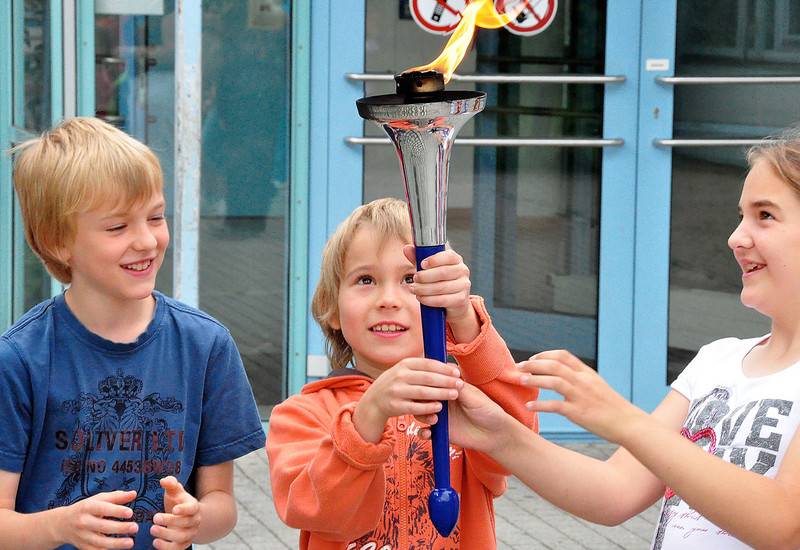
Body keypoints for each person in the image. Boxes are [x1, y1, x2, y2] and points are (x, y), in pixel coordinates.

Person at [434, 127, 800, 549]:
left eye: (765, 215)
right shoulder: (717, 361)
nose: (736, 238)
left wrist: (623, 420)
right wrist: (500, 436)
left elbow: (785, 523)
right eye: (741, 216)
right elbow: (615, 491)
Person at [0, 117, 266, 549]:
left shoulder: (206, 346)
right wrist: (60, 527)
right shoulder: (18, 359)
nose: (146, 241)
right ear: (56, 241)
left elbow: (221, 503)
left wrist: (195, 521)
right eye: (117, 227)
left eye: (156, 216)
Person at [265, 197, 539, 550]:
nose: (389, 300)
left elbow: (519, 438)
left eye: (410, 279)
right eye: (366, 279)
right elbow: (317, 511)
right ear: (330, 309)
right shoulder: (300, 416)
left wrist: (464, 319)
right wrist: (369, 414)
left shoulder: (465, 401)